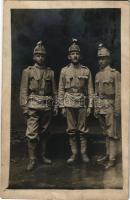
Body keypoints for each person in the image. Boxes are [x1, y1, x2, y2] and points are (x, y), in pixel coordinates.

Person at [20, 41, 58, 171]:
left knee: (45, 132)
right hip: (33, 105)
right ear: (33, 57)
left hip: (46, 105)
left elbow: (54, 91)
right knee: (32, 133)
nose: (40, 58)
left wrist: (56, 106)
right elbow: (24, 91)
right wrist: (24, 107)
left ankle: (42, 156)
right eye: (38, 55)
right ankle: (32, 159)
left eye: (42, 56)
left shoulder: (50, 72)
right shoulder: (28, 71)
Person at [58, 39, 94, 164]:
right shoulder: (64, 70)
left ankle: (84, 153)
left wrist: (90, 106)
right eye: (72, 53)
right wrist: (61, 105)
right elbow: (61, 89)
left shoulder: (86, 70)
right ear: (69, 56)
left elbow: (90, 89)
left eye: (77, 53)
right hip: (68, 102)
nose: (75, 55)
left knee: (83, 129)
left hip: (81, 101)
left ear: (80, 55)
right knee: (71, 130)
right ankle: (74, 154)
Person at [94, 43, 121, 169]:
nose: (101, 60)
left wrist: (117, 109)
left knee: (112, 133)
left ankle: (112, 158)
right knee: (105, 133)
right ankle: (107, 154)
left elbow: (119, 94)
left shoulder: (115, 74)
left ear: (108, 59)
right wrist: (95, 108)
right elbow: (96, 93)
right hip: (100, 106)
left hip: (110, 106)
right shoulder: (98, 75)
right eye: (99, 58)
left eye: (103, 58)